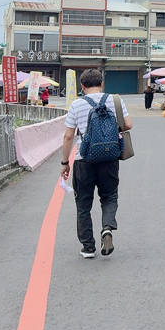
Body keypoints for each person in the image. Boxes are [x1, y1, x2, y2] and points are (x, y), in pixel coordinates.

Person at [60, 69, 132, 258]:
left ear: (82, 86)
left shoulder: (76, 105)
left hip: (84, 160)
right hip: (109, 158)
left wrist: (65, 162)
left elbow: (68, 136)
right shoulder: (115, 100)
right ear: (102, 83)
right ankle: (107, 228)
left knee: (83, 203)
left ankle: (88, 247)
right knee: (109, 197)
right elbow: (128, 125)